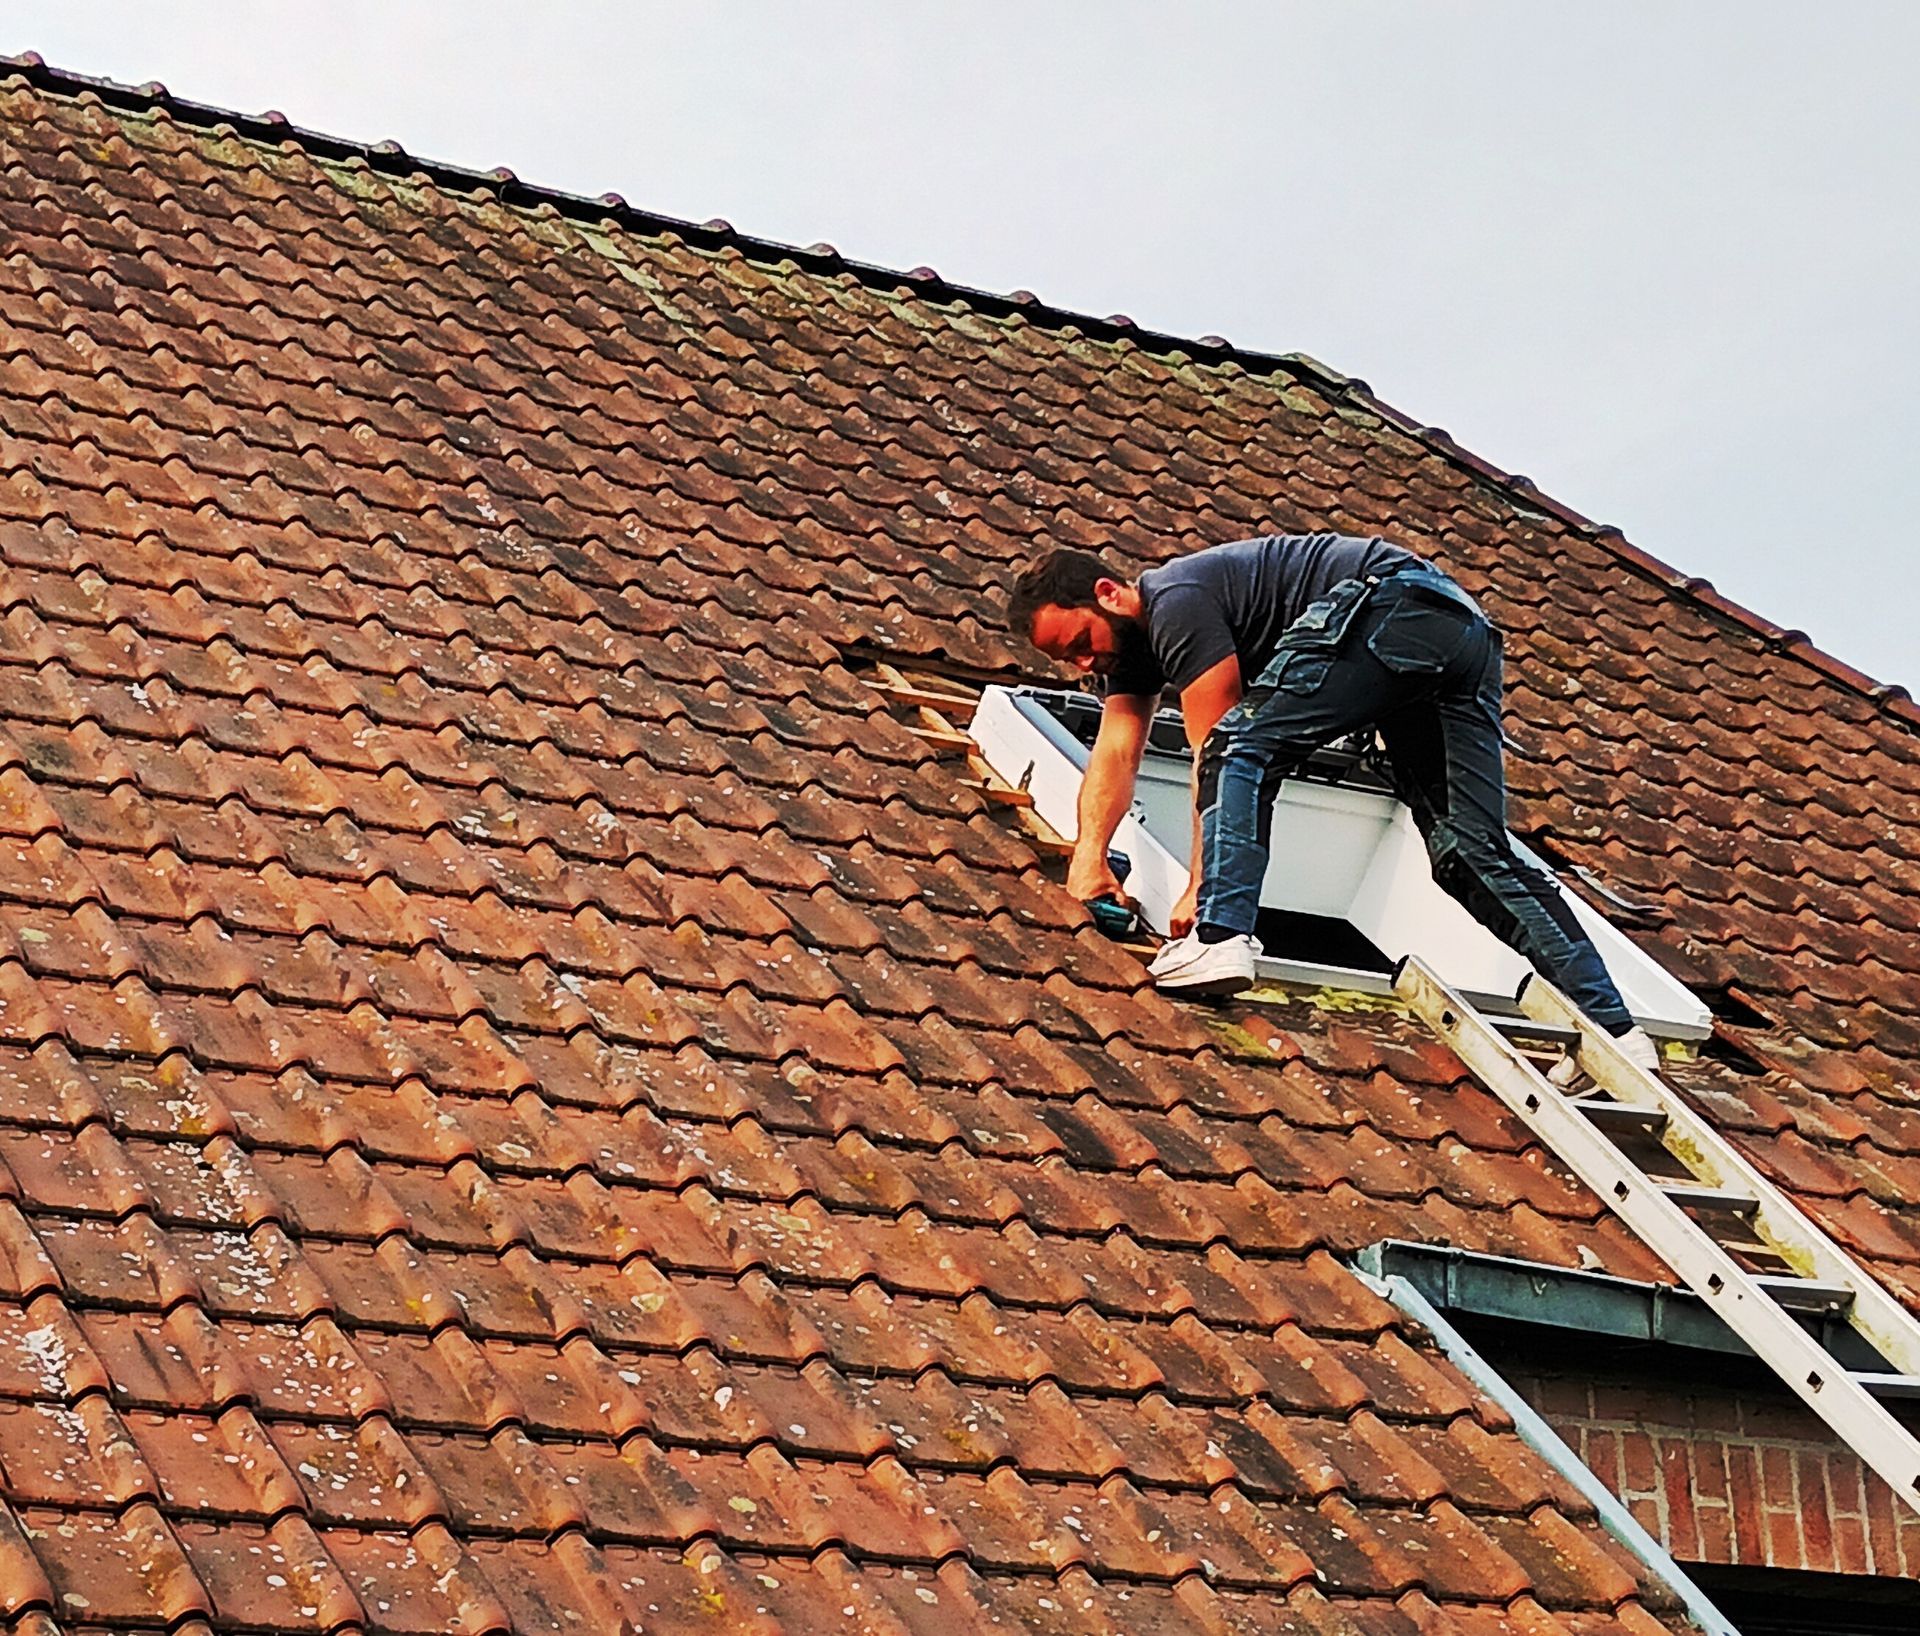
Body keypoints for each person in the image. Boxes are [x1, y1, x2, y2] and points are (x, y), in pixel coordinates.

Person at [1006, 532, 1660, 1073]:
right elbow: (1116, 752)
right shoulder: (1130, 653)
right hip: (1458, 635)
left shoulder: (1176, 600)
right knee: (1468, 853)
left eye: (1081, 643)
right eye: (1067, 661)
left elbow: (1218, 747)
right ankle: (1617, 1035)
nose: (1082, 665)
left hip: (1395, 607)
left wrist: (1201, 898)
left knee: (1240, 746)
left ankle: (1225, 935)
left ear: (1108, 594)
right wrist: (1088, 857)